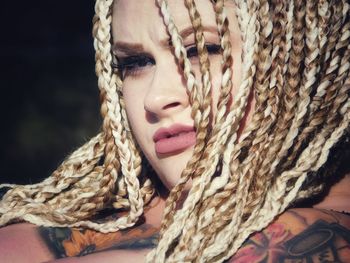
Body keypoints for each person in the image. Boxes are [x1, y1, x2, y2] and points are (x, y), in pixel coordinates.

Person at [0, 0, 349, 262]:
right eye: (135, 63)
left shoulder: (318, 237)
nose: (155, 98)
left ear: (307, 65)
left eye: (202, 50)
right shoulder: (69, 211)